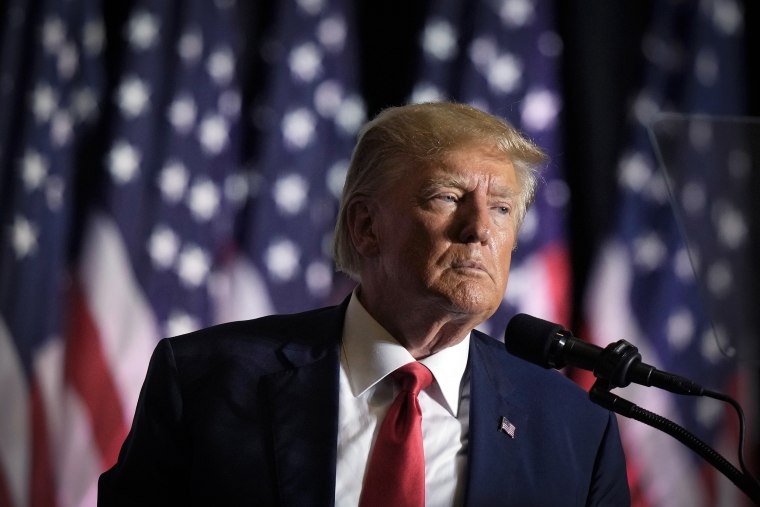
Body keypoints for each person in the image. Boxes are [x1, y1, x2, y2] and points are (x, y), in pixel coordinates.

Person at [98, 102, 630, 506]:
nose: (478, 230)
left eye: (502, 208)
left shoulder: (574, 427)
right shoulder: (205, 380)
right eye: (447, 197)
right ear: (366, 226)